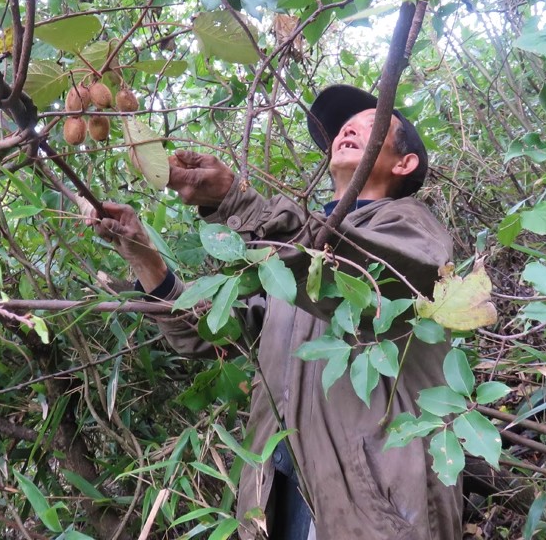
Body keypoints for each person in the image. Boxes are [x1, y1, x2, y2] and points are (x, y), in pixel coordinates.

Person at [92, 84, 463, 540]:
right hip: (277, 495)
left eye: (372, 124)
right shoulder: (291, 263)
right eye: (344, 127)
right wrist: (143, 256)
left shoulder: (412, 227)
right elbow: (213, 334)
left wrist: (237, 200)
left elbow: (366, 283)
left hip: (376, 509)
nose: (348, 129)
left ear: (403, 163)